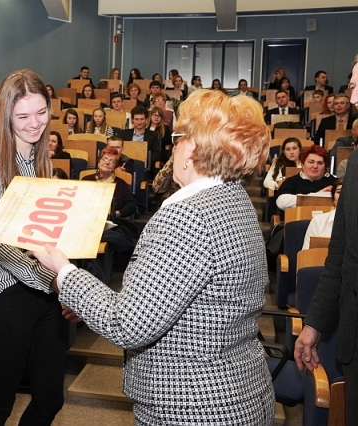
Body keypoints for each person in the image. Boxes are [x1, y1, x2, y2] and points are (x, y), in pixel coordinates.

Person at [34, 89, 274, 425]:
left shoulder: (188, 216)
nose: (173, 148)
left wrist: (64, 272)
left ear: (192, 147)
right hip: (237, 393)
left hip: (191, 406)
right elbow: (172, 300)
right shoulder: (234, 200)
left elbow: (128, 323)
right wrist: (91, 301)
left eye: (177, 139)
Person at [0, 69, 77, 425]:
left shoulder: (40, 161)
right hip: (5, 293)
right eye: (23, 116)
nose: (35, 123)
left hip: (43, 290)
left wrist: (64, 277)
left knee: (50, 400)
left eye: (41, 112)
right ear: (6, 116)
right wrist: (54, 279)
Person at [295, 55, 358, 422]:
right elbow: (340, 255)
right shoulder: (356, 164)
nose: (352, 97)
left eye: (356, 86)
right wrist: (314, 324)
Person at [81, 146, 137, 252]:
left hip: (110, 223)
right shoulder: (86, 180)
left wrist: (117, 213)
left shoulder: (120, 184)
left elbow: (131, 205)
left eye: (112, 161)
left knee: (119, 238)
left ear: (115, 166)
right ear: (99, 162)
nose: (107, 162)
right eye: (105, 159)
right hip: (87, 222)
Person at [275, 145, 335, 211]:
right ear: (303, 164)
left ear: (325, 166)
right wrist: (319, 195)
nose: (315, 166)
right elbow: (281, 202)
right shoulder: (291, 182)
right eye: (311, 162)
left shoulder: (335, 183)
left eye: (320, 163)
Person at [302, 178, 342, 249]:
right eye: (339, 192)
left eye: (350, 193)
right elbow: (307, 254)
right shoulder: (318, 221)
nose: (343, 196)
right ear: (333, 199)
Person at [144, 106, 172, 171]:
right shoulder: (145, 128)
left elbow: (167, 141)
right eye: (154, 115)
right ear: (150, 116)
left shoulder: (165, 128)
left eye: (159, 116)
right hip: (146, 152)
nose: (156, 117)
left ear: (161, 118)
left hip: (159, 153)